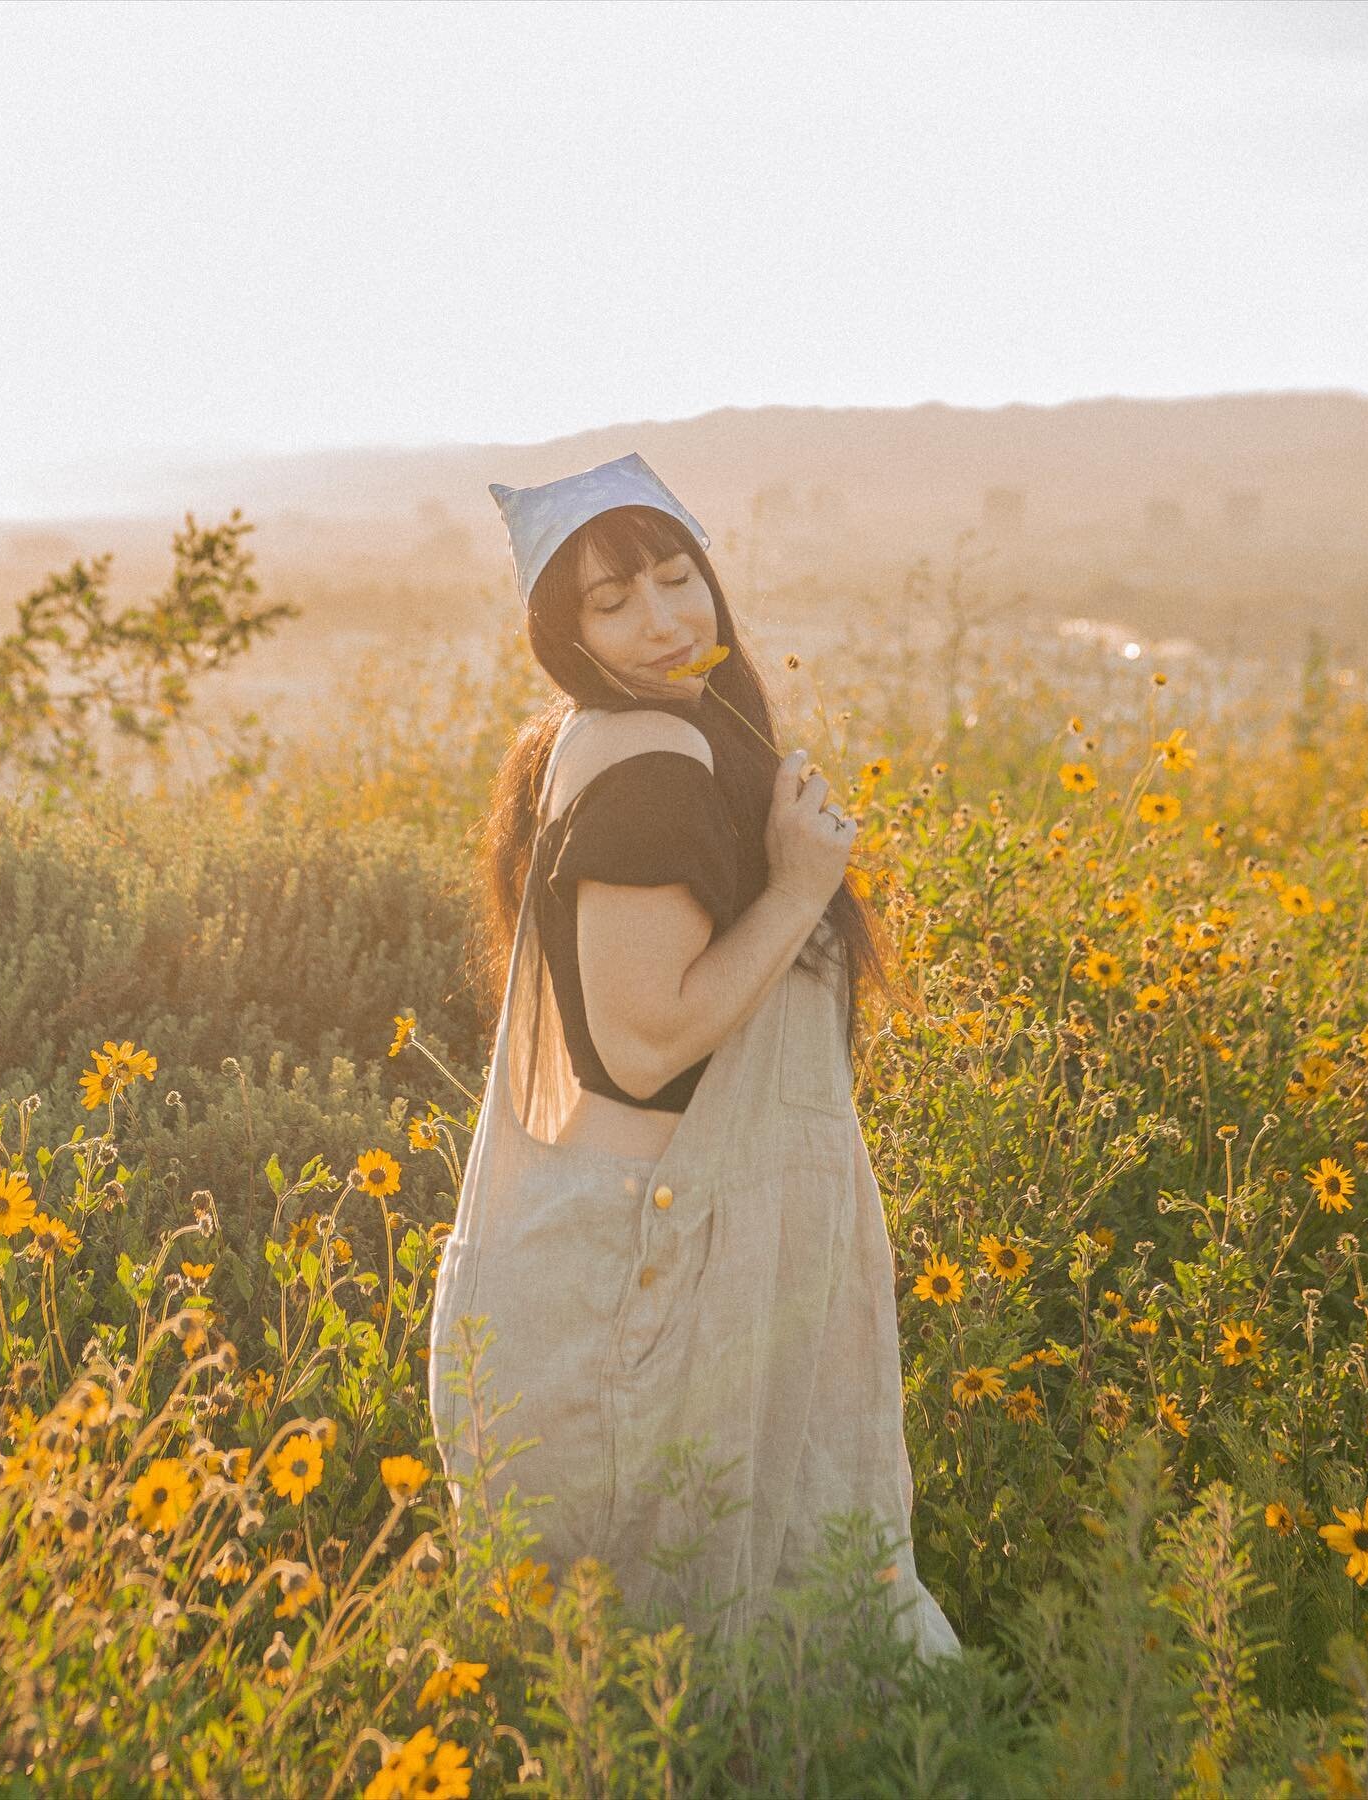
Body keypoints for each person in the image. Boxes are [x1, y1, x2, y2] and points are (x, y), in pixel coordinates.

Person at [428, 451, 961, 1661]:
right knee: (706, 1648)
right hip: (645, 1269)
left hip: (631, 1254)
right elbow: (644, 1034)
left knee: (632, 1657)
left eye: (676, 577)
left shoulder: (605, 736)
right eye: (612, 604)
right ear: (562, 636)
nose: (663, 620)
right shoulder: (650, 765)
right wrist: (800, 889)